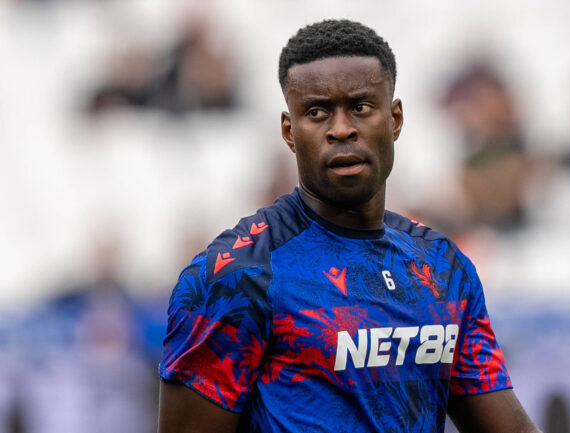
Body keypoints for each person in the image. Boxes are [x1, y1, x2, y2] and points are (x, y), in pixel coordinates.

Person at [157, 19, 541, 433]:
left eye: (360, 107)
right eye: (317, 112)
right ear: (289, 131)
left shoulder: (441, 268)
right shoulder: (234, 277)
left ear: (395, 119)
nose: (341, 129)